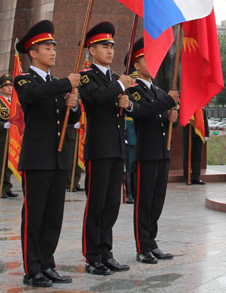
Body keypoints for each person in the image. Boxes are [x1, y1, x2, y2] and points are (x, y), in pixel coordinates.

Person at [14, 20, 81, 288]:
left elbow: (68, 118)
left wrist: (73, 105)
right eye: (47, 47)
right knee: (34, 215)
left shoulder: (57, 83)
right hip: (37, 159)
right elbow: (34, 95)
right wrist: (66, 84)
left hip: (57, 157)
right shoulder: (24, 80)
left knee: (54, 215)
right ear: (32, 52)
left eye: (53, 46)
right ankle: (32, 269)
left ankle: (47, 263)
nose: (53, 52)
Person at [78, 21, 134, 275]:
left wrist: (124, 99)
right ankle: (92, 257)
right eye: (104, 46)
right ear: (92, 50)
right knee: (96, 203)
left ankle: (106, 252)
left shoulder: (114, 77)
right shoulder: (87, 76)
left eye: (112, 46)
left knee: (112, 204)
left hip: (116, 148)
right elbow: (96, 97)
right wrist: (120, 86)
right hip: (98, 148)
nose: (110, 50)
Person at [126, 38, 179, 264]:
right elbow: (143, 112)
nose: (153, 63)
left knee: (157, 201)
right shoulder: (134, 89)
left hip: (162, 152)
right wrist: (167, 102)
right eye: (147, 59)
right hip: (146, 153)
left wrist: (172, 119)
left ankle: (152, 242)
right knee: (144, 202)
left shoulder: (157, 91)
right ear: (136, 65)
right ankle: (142, 246)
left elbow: (163, 118)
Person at [0, 73, 18, 198]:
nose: (10, 88)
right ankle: (1, 188)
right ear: (1, 89)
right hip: (2, 137)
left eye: (11, 85)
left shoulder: (16, 102)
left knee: (10, 164)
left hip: (13, 138)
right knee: (1, 164)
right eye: (6, 86)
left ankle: (8, 187)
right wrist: (4, 125)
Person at [182, 107, 207, 185]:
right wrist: (186, 119)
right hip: (187, 131)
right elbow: (180, 114)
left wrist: (207, 133)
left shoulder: (200, 104)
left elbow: (204, 118)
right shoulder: (186, 103)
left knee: (198, 155)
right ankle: (187, 177)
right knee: (187, 155)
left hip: (199, 131)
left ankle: (196, 177)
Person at [124, 69, 139, 204]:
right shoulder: (126, 93)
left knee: (136, 166)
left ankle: (135, 192)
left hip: (138, 133)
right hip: (129, 133)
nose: (135, 81)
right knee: (129, 165)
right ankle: (129, 193)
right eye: (133, 79)